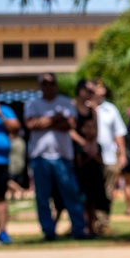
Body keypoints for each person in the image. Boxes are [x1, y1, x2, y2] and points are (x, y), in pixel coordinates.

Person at [24, 73, 87, 240]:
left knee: (71, 195)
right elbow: (30, 124)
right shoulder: (33, 103)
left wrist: (44, 122)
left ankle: (79, 229)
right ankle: (48, 232)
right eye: (44, 83)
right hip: (40, 157)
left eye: (51, 83)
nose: (48, 86)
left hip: (63, 157)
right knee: (43, 198)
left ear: (56, 84)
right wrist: (56, 118)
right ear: (40, 86)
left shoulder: (65, 102)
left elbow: (71, 124)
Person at [72, 79, 108, 235]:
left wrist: (92, 145)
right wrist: (83, 143)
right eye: (90, 91)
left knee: (93, 194)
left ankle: (92, 226)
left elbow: (96, 130)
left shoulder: (93, 109)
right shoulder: (72, 107)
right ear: (81, 91)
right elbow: (69, 129)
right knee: (80, 194)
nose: (92, 95)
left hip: (92, 153)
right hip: (78, 154)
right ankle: (81, 226)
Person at [92, 78, 127, 230]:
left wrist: (123, 153)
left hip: (109, 157)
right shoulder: (86, 107)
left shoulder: (110, 109)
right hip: (90, 158)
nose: (102, 90)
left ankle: (103, 222)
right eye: (98, 87)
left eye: (102, 87)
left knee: (107, 191)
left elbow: (118, 133)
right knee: (92, 192)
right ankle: (91, 222)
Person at [0, 81, 21, 244]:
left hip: (0, 162)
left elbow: (16, 128)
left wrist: (0, 115)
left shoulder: (5, 110)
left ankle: (3, 233)